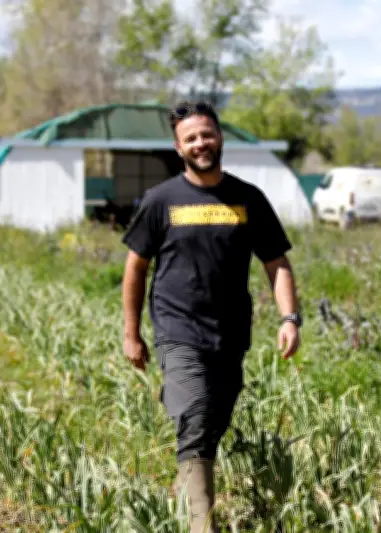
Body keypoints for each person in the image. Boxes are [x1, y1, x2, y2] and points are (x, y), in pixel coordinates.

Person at [120, 100, 302, 532]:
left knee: (211, 425)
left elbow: (276, 263)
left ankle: (185, 495)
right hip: (177, 329)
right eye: (191, 138)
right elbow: (135, 268)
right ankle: (202, 525)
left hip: (230, 334)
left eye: (207, 134)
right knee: (197, 417)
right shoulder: (161, 201)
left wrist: (289, 318)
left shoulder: (248, 199)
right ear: (178, 148)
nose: (200, 143)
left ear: (219, 137)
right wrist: (131, 333)